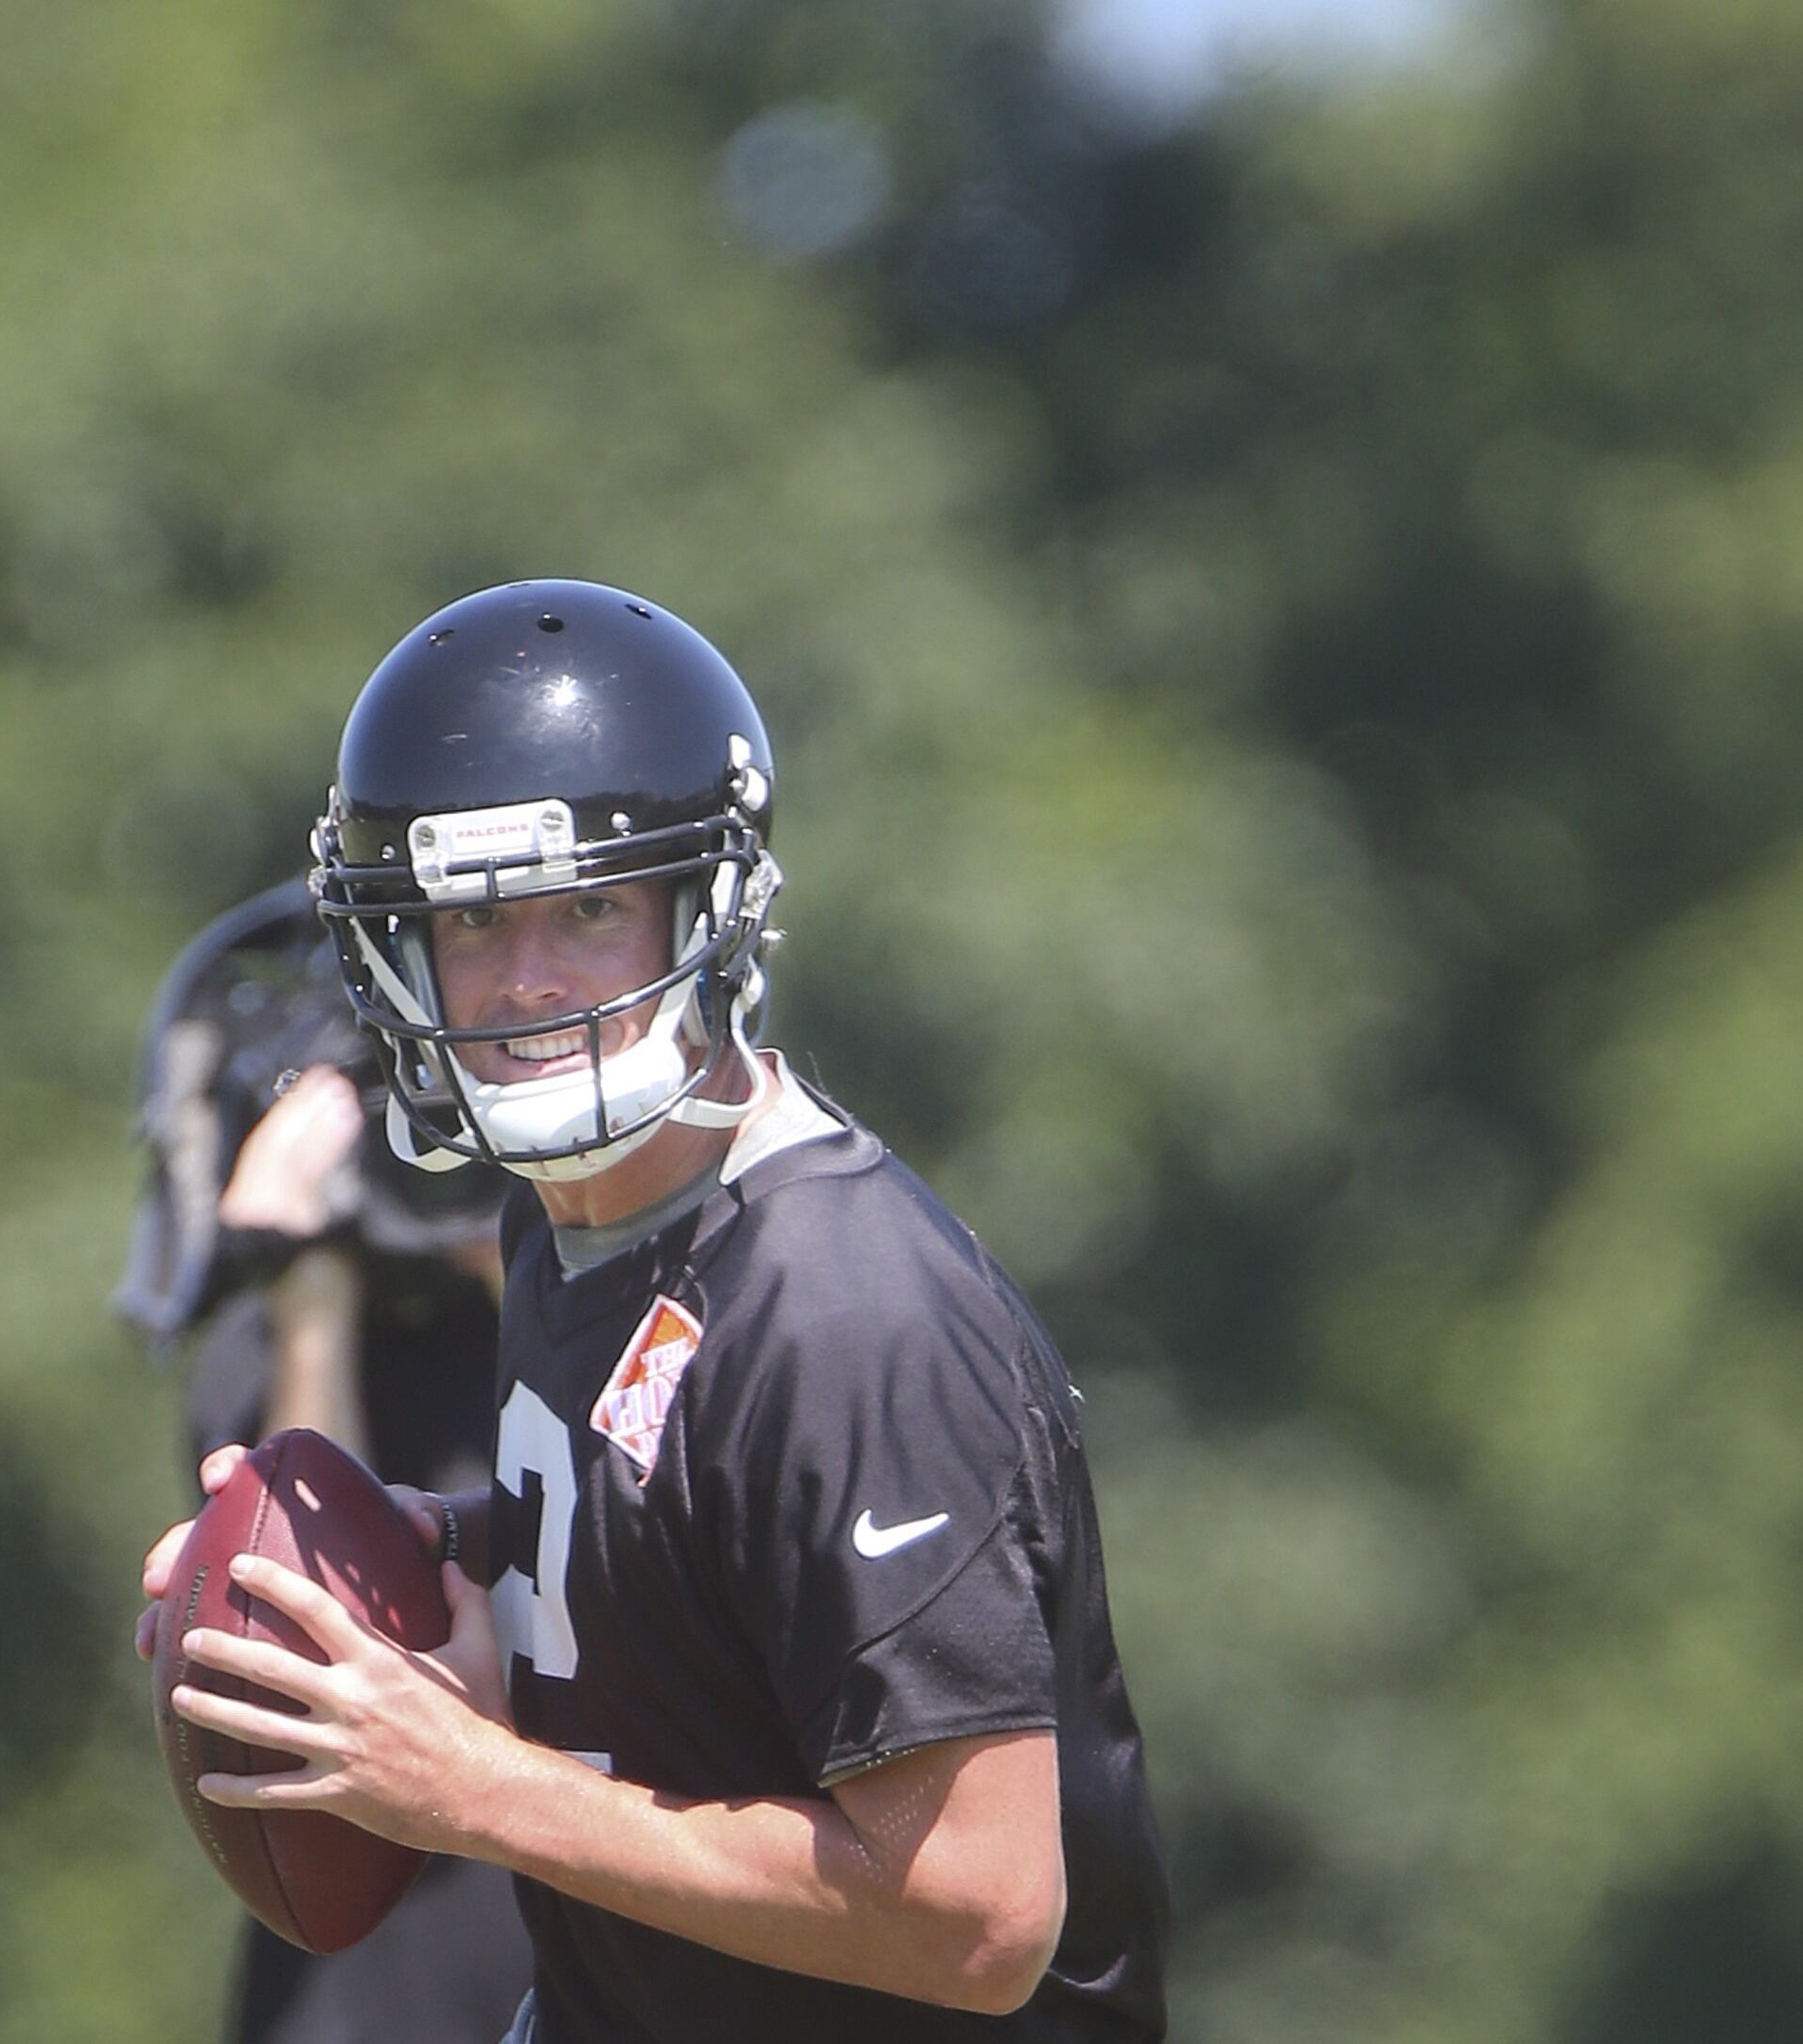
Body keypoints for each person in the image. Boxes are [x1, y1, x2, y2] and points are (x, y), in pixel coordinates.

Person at [133, 580, 1171, 2041]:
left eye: (592, 908)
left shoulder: (842, 1314)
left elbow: (979, 1914)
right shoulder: (567, 1217)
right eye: (474, 920)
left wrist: (474, 1786)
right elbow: (693, 1538)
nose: (528, 983)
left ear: (711, 910)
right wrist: (424, 1546)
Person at [115, 885, 535, 2044]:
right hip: (364, 1977)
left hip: (557, 1918)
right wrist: (310, 1301)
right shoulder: (259, 1353)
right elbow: (299, 1626)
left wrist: (523, 1241)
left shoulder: (557, 1322)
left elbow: (608, 1496)